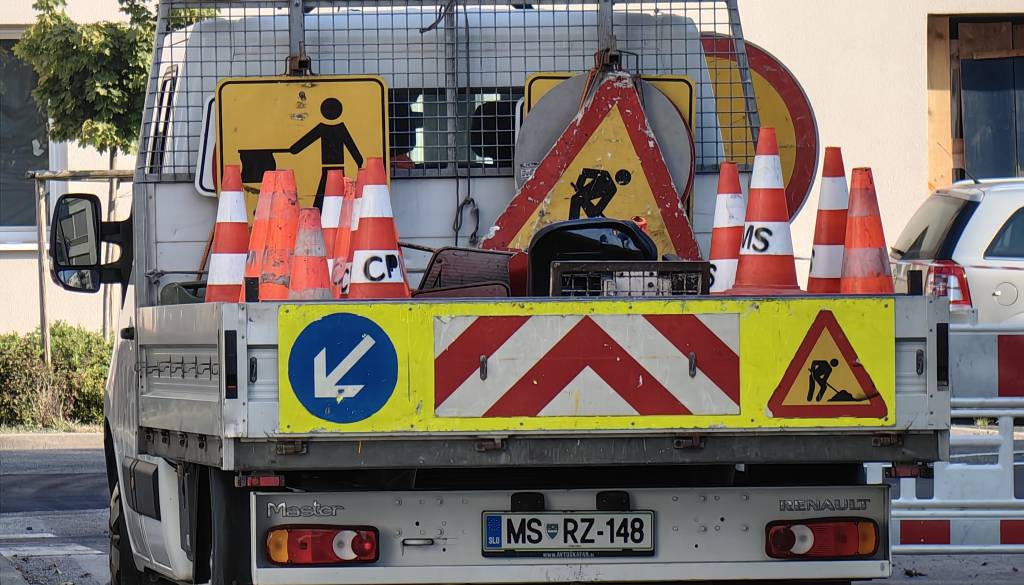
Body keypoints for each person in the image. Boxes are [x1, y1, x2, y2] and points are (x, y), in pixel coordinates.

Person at [289, 97, 364, 208]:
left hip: (330, 168)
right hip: (337, 168)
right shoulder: (339, 129)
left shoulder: (323, 128)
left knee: (323, 196)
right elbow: (352, 147)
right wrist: (359, 162)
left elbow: (304, 142)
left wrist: (293, 149)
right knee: (335, 195)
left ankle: (319, 213)